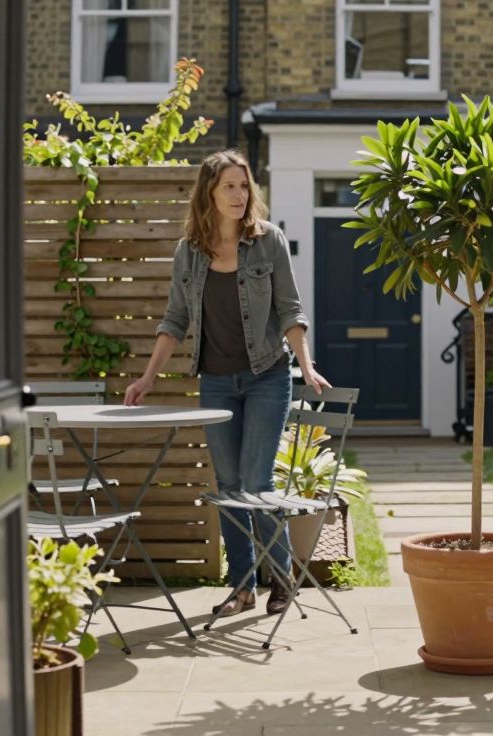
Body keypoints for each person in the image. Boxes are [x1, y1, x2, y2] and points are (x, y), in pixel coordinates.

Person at [124, 150, 330, 617]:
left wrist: (307, 363)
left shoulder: (268, 241)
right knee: (229, 483)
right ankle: (241, 586)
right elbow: (174, 319)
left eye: (244, 185)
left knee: (256, 481)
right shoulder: (188, 252)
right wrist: (148, 377)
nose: (240, 195)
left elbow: (290, 309)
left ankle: (280, 579)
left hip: (266, 376)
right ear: (209, 195)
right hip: (215, 382)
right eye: (229, 187)